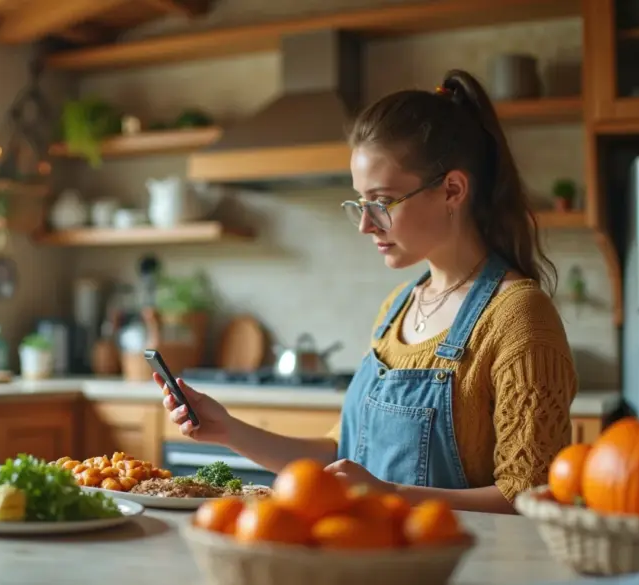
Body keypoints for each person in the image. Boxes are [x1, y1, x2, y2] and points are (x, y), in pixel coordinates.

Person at [155, 69, 578, 514]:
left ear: (452, 189)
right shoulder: (397, 308)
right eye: (359, 202)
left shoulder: (518, 316)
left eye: (381, 202)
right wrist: (228, 430)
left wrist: (390, 495)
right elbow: (343, 456)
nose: (364, 223)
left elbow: (529, 498)